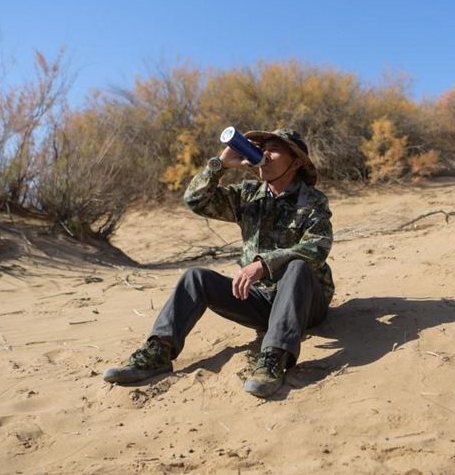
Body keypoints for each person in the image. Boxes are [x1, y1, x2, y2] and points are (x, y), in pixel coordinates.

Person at [103, 128, 334, 398]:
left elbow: (317, 247)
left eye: (274, 149)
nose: (264, 155)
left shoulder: (313, 200)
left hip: (305, 303)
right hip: (262, 302)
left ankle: (273, 358)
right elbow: (195, 201)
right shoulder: (248, 195)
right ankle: (158, 352)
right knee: (196, 277)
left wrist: (264, 264)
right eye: (262, 148)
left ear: (295, 162)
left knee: (297, 267)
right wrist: (219, 165)